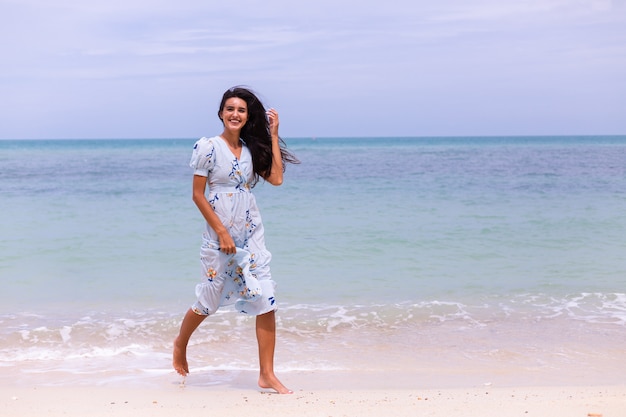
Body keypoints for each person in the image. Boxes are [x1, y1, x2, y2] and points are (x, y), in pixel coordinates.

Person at [172, 86, 298, 394]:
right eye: (230, 109)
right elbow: (197, 195)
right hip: (220, 232)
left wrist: (273, 134)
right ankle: (180, 343)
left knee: (265, 296)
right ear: (221, 113)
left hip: (251, 229)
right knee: (210, 299)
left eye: (241, 110)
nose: (235, 114)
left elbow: (278, 178)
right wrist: (223, 233)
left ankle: (266, 374)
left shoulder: (251, 150)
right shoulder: (208, 148)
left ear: (246, 116)